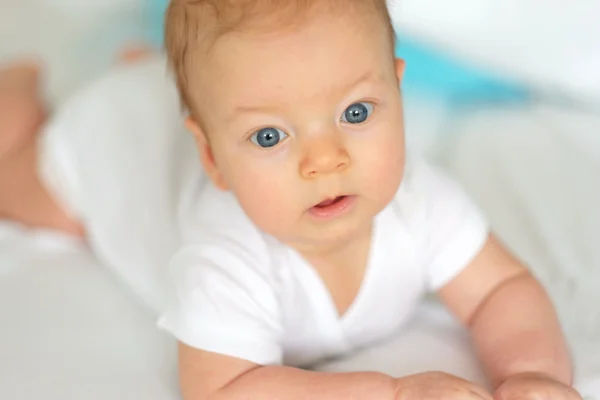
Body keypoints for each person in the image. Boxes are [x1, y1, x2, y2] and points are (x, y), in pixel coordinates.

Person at [0, 1, 581, 399]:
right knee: (25, 192)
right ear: (211, 158)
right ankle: (22, 99)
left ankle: (155, 74)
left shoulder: (420, 200)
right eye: (270, 136)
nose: (324, 160)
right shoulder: (225, 255)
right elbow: (227, 387)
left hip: (176, 109)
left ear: (396, 91)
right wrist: (393, 391)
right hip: (114, 144)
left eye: (355, 113)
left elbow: (500, 290)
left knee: (212, 89)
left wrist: (531, 372)